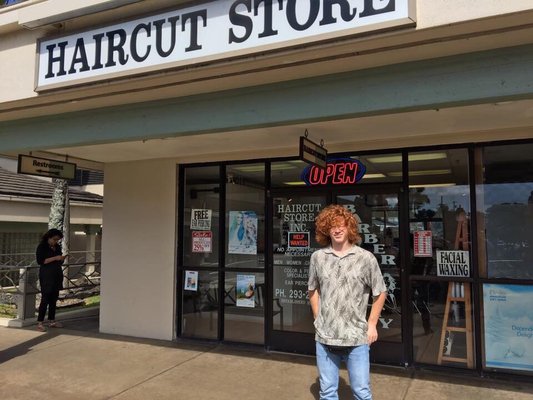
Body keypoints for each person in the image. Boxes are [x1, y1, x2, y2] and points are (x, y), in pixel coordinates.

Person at [308, 205, 387, 400]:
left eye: (341, 225)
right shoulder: (318, 258)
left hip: (356, 339)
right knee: (327, 393)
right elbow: (312, 290)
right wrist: (318, 318)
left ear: (349, 227)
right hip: (326, 339)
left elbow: (381, 292)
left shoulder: (365, 258)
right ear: (326, 229)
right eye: (332, 226)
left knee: (361, 392)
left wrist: (372, 324)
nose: (337, 229)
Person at [35, 228, 67, 332]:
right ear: (49, 237)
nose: (55, 241)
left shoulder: (57, 247)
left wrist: (61, 259)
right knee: (45, 298)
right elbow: (41, 261)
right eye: (54, 239)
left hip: (56, 274)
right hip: (46, 275)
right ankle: (40, 323)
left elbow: (59, 260)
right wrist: (55, 258)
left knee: (54, 298)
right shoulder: (42, 247)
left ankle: (51, 320)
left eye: (57, 240)